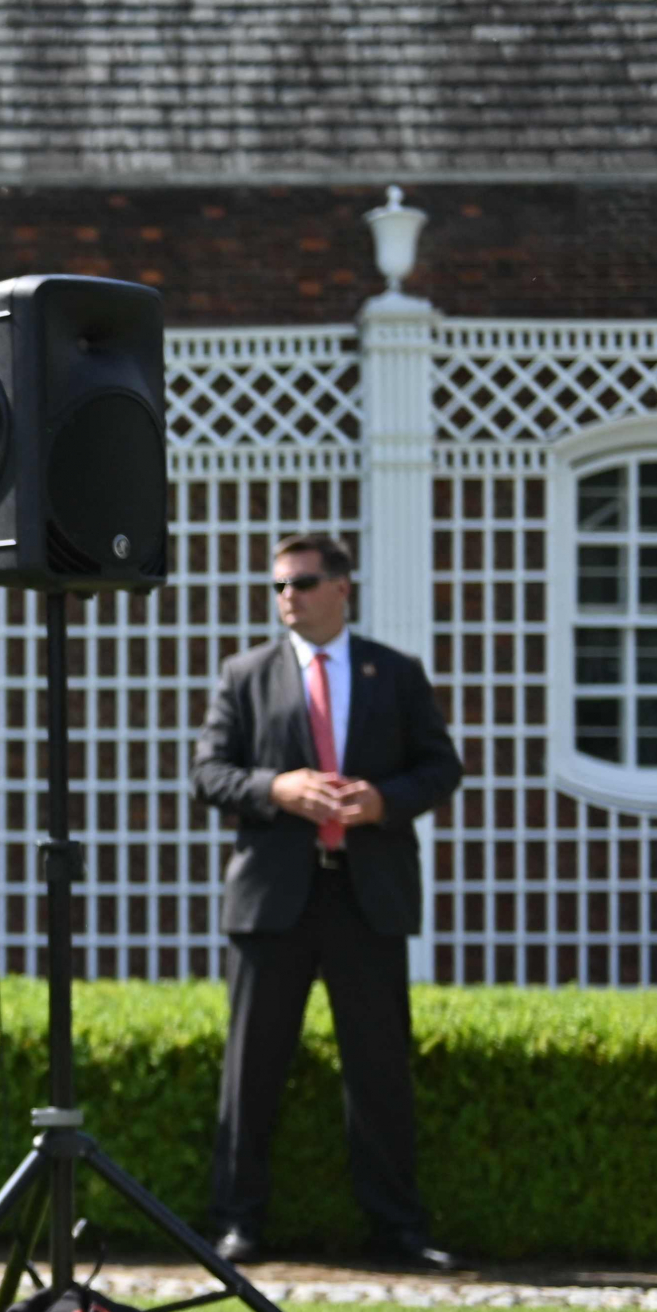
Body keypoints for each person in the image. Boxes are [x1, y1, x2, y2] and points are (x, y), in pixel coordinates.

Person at [188, 532, 462, 1271]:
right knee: (253, 1067)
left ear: (342, 588)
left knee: (379, 1069)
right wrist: (276, 789)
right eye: (279, 585)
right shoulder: (244, 675)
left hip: (365, 895)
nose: (288, 597)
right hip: (274, 900)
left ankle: (396, 1230)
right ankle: (238, 1223)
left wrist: (382, 801)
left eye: (303, 583)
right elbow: (208, 773)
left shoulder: (395, 675)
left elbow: (442, 768)